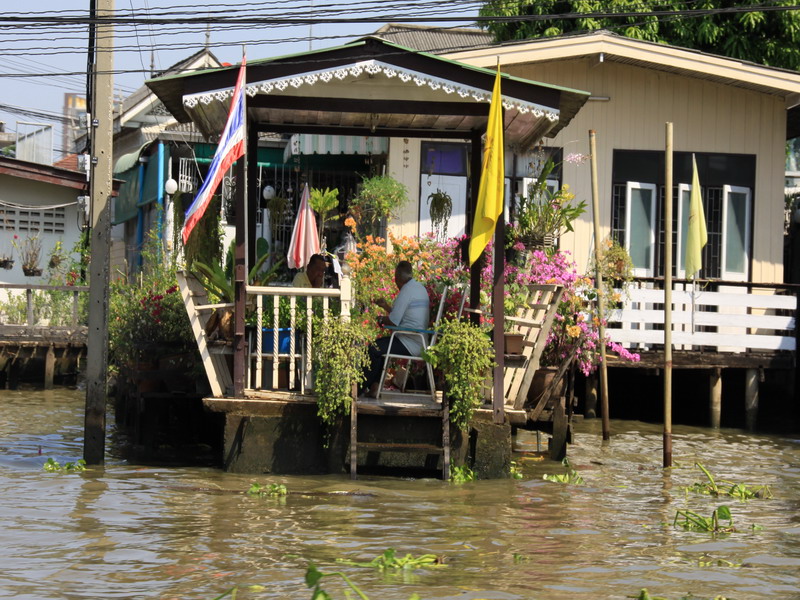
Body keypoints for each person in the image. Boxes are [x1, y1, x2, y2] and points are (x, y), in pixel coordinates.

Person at [361, 260, 430, 398]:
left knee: (373, 349)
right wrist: (386, 306)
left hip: (410, 342)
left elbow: (393, 321)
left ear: (397, 278)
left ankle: (359, 388)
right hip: (417, 339)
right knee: (379, 348)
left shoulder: (406, 291)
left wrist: (381, 319)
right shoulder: (418, 288)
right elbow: (401, 316)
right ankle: (375, 388)